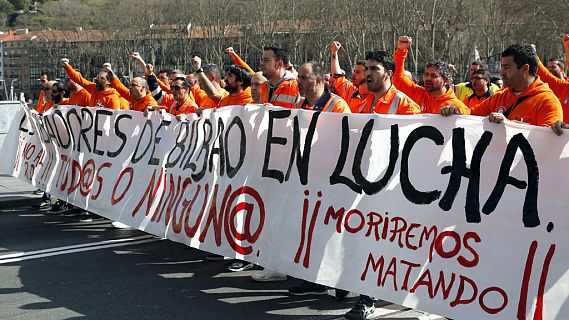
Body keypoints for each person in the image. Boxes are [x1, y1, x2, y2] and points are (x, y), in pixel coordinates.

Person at [441, 44, 563, 127]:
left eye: (507, 67)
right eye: (502, 67)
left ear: (525, 69)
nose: (501, 73)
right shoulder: (499, 97)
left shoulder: (548, 102)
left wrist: (509, 126)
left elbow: (548, 147)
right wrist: (456, 111)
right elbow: (472, 114)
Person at [393, 36, 470, 115]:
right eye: (426, 75)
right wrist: (401, 50)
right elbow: (398, 78)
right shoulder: (419, 94)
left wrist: (456, 111)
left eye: (434, 76)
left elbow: (467, 115)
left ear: (446, 81)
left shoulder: (455, 106)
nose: (428, 78)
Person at [358, 50, 420, 115]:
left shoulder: (406, 107)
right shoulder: (363, 105)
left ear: (389, 74)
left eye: (374, 69)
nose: (368, 73)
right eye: (366, 69)